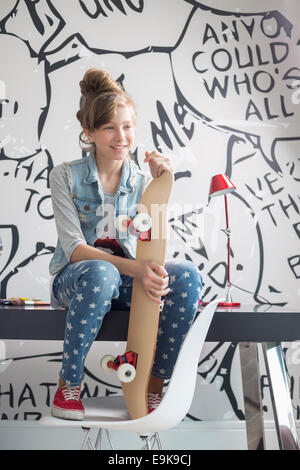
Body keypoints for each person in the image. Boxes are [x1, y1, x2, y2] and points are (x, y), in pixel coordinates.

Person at [49, 68, 203, 420]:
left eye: (128, 126)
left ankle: (153, 384)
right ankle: (68, 386)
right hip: (76, 281)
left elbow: (153, 241)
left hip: (121, 282)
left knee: (186, 275)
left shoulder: (140, 179)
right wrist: (136, 269)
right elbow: (74, 249)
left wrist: (164, 183)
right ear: (88, 132)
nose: (122, 137)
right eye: (109, 128)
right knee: (101, 272)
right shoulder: (65, 176)